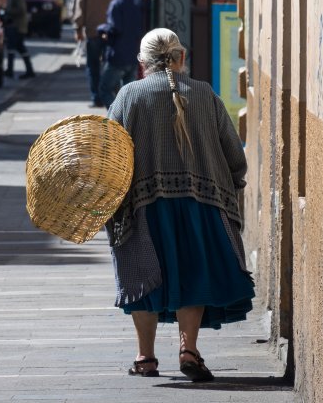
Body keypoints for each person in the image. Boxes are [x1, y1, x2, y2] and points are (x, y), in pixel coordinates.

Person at [105, 28, 254, 382]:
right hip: (202, 206)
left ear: (142, 64)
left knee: (142, 277)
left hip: (144, 206)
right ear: (181, 58)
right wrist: (231, 183)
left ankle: (145, 357)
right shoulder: (205, 94)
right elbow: (235, 156)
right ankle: (189, 350)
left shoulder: (128, 97)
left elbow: (109, 154)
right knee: (194, 276)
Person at [72, 0, 115, 107]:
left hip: (93, 32)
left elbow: (79, 7)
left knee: (93, 65)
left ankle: (96, 97)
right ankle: (110, 95)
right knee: (112, 65)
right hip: (112, 33)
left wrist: (78, 29)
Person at [98, 0, 145, 109]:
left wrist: (101, 28)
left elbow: (115, 27)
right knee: (128, 95)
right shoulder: (135, 4)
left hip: (118, 56)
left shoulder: (116, 4)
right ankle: (127, 121)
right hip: (133, 55)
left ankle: (116, 118)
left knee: (105, 89)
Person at [0, 0, 35, 79]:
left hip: (17, 26)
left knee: (12, 47)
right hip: (15, 25)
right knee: (20, 48)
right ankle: (29, 70)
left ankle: (11, 70)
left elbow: (21, 10)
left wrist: (7, 12)